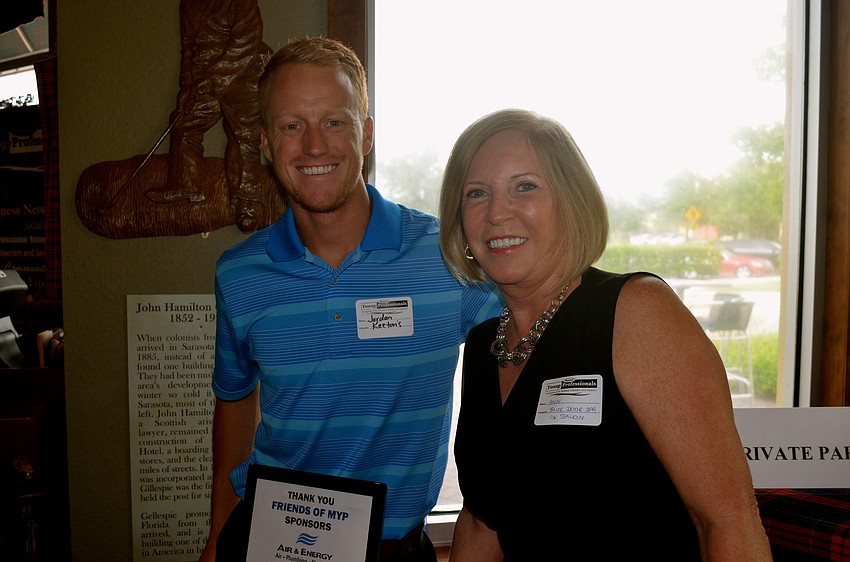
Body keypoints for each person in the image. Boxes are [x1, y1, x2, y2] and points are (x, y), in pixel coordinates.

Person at [199, 37, 502, 562]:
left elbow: (528, 338)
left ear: (366, 134)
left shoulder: (448, 257)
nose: (314, 146)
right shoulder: (239, 274)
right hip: (270, 542)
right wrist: (217, 533)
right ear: (267, 144)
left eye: (335, 122)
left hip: (394, 548)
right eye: (292, 125)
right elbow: (234, 396)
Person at [437, 109, 774, 561]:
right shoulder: (484, 346)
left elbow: (727, 518)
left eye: (525, 186)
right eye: (476, 194)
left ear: (571, 201)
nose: (497, 212)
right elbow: (482, 524)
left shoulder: (635, 312)